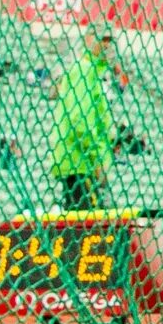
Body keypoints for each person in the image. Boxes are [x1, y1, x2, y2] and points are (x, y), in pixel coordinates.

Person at [50, 21, 117, 210]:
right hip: (81, 164)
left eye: (109, 40)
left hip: (81, 163)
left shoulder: (93, 73)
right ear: (88, 39)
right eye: (102, 39)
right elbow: (80, 121)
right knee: (92, 222)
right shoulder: (85, 70)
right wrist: (96, 160)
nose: (106, 45)